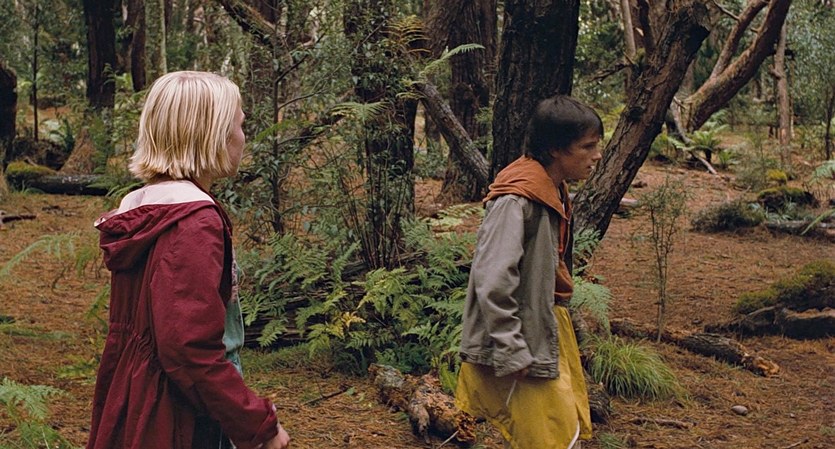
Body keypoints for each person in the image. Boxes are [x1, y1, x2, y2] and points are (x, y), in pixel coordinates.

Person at [87, 71, 291, 449]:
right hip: (178, 416)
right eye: (240, 125)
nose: (243, 137)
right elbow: (188, 348)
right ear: (213, 135)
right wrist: (256, 424)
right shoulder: (193, 223)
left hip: (138, 399)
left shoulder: (149, 210)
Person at [455, 95, 603, 449]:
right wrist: (511, 346)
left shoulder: (552, 188)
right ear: (555, 149)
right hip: (520, 333)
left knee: (554, 430)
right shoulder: (517, 199)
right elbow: (492, 278)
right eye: (587, 146)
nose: (597, 155)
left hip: (542, 324)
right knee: (548, 434)